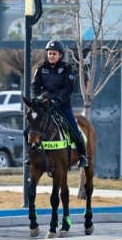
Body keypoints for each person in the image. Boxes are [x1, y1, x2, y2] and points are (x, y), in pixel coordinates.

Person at [23, 40, 88, 168]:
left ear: (60, 55)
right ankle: (29, 154)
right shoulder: (41, 68)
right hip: (43, 106)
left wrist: (57, 100)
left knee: (74, 130)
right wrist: (36, 100)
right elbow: (34, 86)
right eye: (49, 53)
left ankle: (82, 156)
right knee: (27, 131)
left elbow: (68, 88)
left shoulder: (66, 68)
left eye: (54, 54)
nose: (51, 56)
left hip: (62, 105)